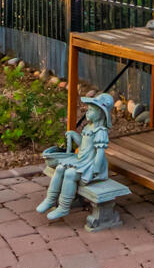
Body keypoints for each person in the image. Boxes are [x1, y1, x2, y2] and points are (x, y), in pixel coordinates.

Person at [38, 93, 113, 221]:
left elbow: (100, 154)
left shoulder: (100, 132)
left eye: (91, 110)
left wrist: (95, 171)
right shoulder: (88, 127)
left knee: (70, 174)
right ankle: (50, 199)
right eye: (88, 109)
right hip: (81, 160)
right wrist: (74, 135)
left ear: (101, 113)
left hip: (92, 165)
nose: (87, 112)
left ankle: (64, 206)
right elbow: (83, 145)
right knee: (60, 168)